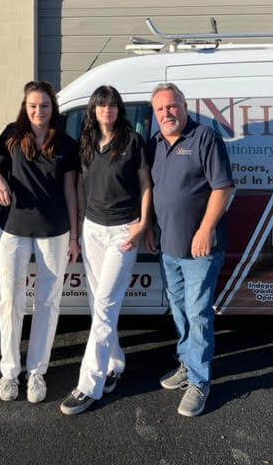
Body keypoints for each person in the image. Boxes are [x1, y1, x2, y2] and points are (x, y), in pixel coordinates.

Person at [0, 81, 79, 403]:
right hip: (15, 229)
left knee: (48, 303)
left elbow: (71, 191)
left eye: (45, 106)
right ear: (25, 108)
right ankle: (10, 372)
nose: (39, 111)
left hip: (54, 231)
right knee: (10, 301)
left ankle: (37, 371)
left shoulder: (66, 144)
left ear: (54, 108)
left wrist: (74, 235)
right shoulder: (13, 134)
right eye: (33, 106)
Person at [60, 85, 152, 415]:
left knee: (104, 306)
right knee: (96, 300)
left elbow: (145, 184)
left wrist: (143, 224)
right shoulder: (87, 143)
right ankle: (115, 362)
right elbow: (82, 186)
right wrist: (82, 224)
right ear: (94, 110)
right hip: (93, 230)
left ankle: (89, 384)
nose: (107, 111)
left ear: (119, 110)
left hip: (122, 233)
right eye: (101, 106)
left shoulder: (132, 141)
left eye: (112, 106)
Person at [147, 82, 233, 417]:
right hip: (169, 246)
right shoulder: (154, 144)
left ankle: (200, 381)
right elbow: (156, 192)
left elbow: (223, 188)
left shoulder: (205, 138)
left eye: (172, 106)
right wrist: (153, 230)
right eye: (160, 109)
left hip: (200, 249)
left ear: (184, 106)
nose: (167, 113)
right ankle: (186, 363)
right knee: (180, 310)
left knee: (198, 314)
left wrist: (205, 230)